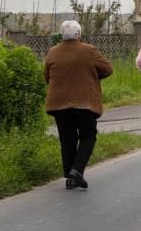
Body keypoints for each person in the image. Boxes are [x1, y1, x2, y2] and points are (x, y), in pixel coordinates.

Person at [44, 20, 113, 189]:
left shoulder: (52, 52)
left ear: (62, 35)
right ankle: (77, 170)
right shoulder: (88, 50)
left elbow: (47, 77)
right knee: (88, 135)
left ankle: (71, 175)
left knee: (67, 139)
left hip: (59, 103)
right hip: (85, 102)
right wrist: (91, 75)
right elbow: (107, 69)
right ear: (79, 35)